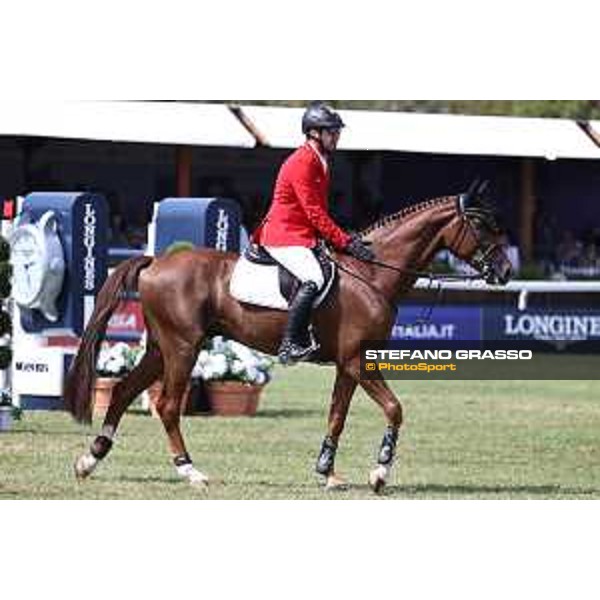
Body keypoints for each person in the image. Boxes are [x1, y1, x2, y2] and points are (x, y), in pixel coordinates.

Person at [252, 101, 375, 365]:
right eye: (332, 131)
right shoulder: (302, 161)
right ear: (314, 133)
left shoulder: (320, 160)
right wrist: (344, 241)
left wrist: (342, 239)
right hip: (283, 234)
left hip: (302, 234)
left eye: (337, 131)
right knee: (313, 278)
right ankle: (291, 342)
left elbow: (318, 211)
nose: (337, 136)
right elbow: (314, 213)